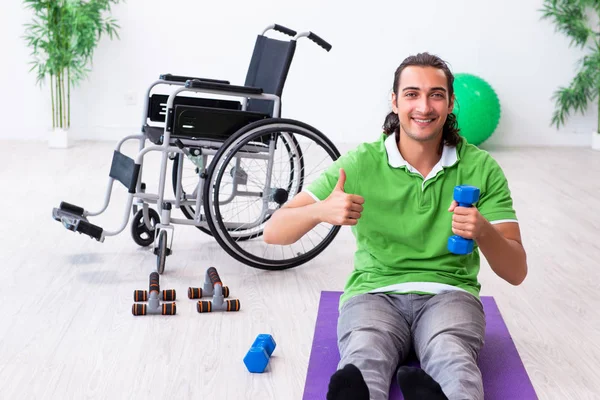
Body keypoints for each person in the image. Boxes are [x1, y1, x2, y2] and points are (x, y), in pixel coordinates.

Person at [262, 52, 528, 400]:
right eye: (412, 94)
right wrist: (320, 211)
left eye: (436, 94)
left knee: (452, 355)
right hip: (375, 293)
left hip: (449, 294)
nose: (424, 106)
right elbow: (273, 232)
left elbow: (516, 270)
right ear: (395, 100)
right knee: (365, 352)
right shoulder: (361, 162)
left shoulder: (481, 167)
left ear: (450, 103)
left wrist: (483, 230)